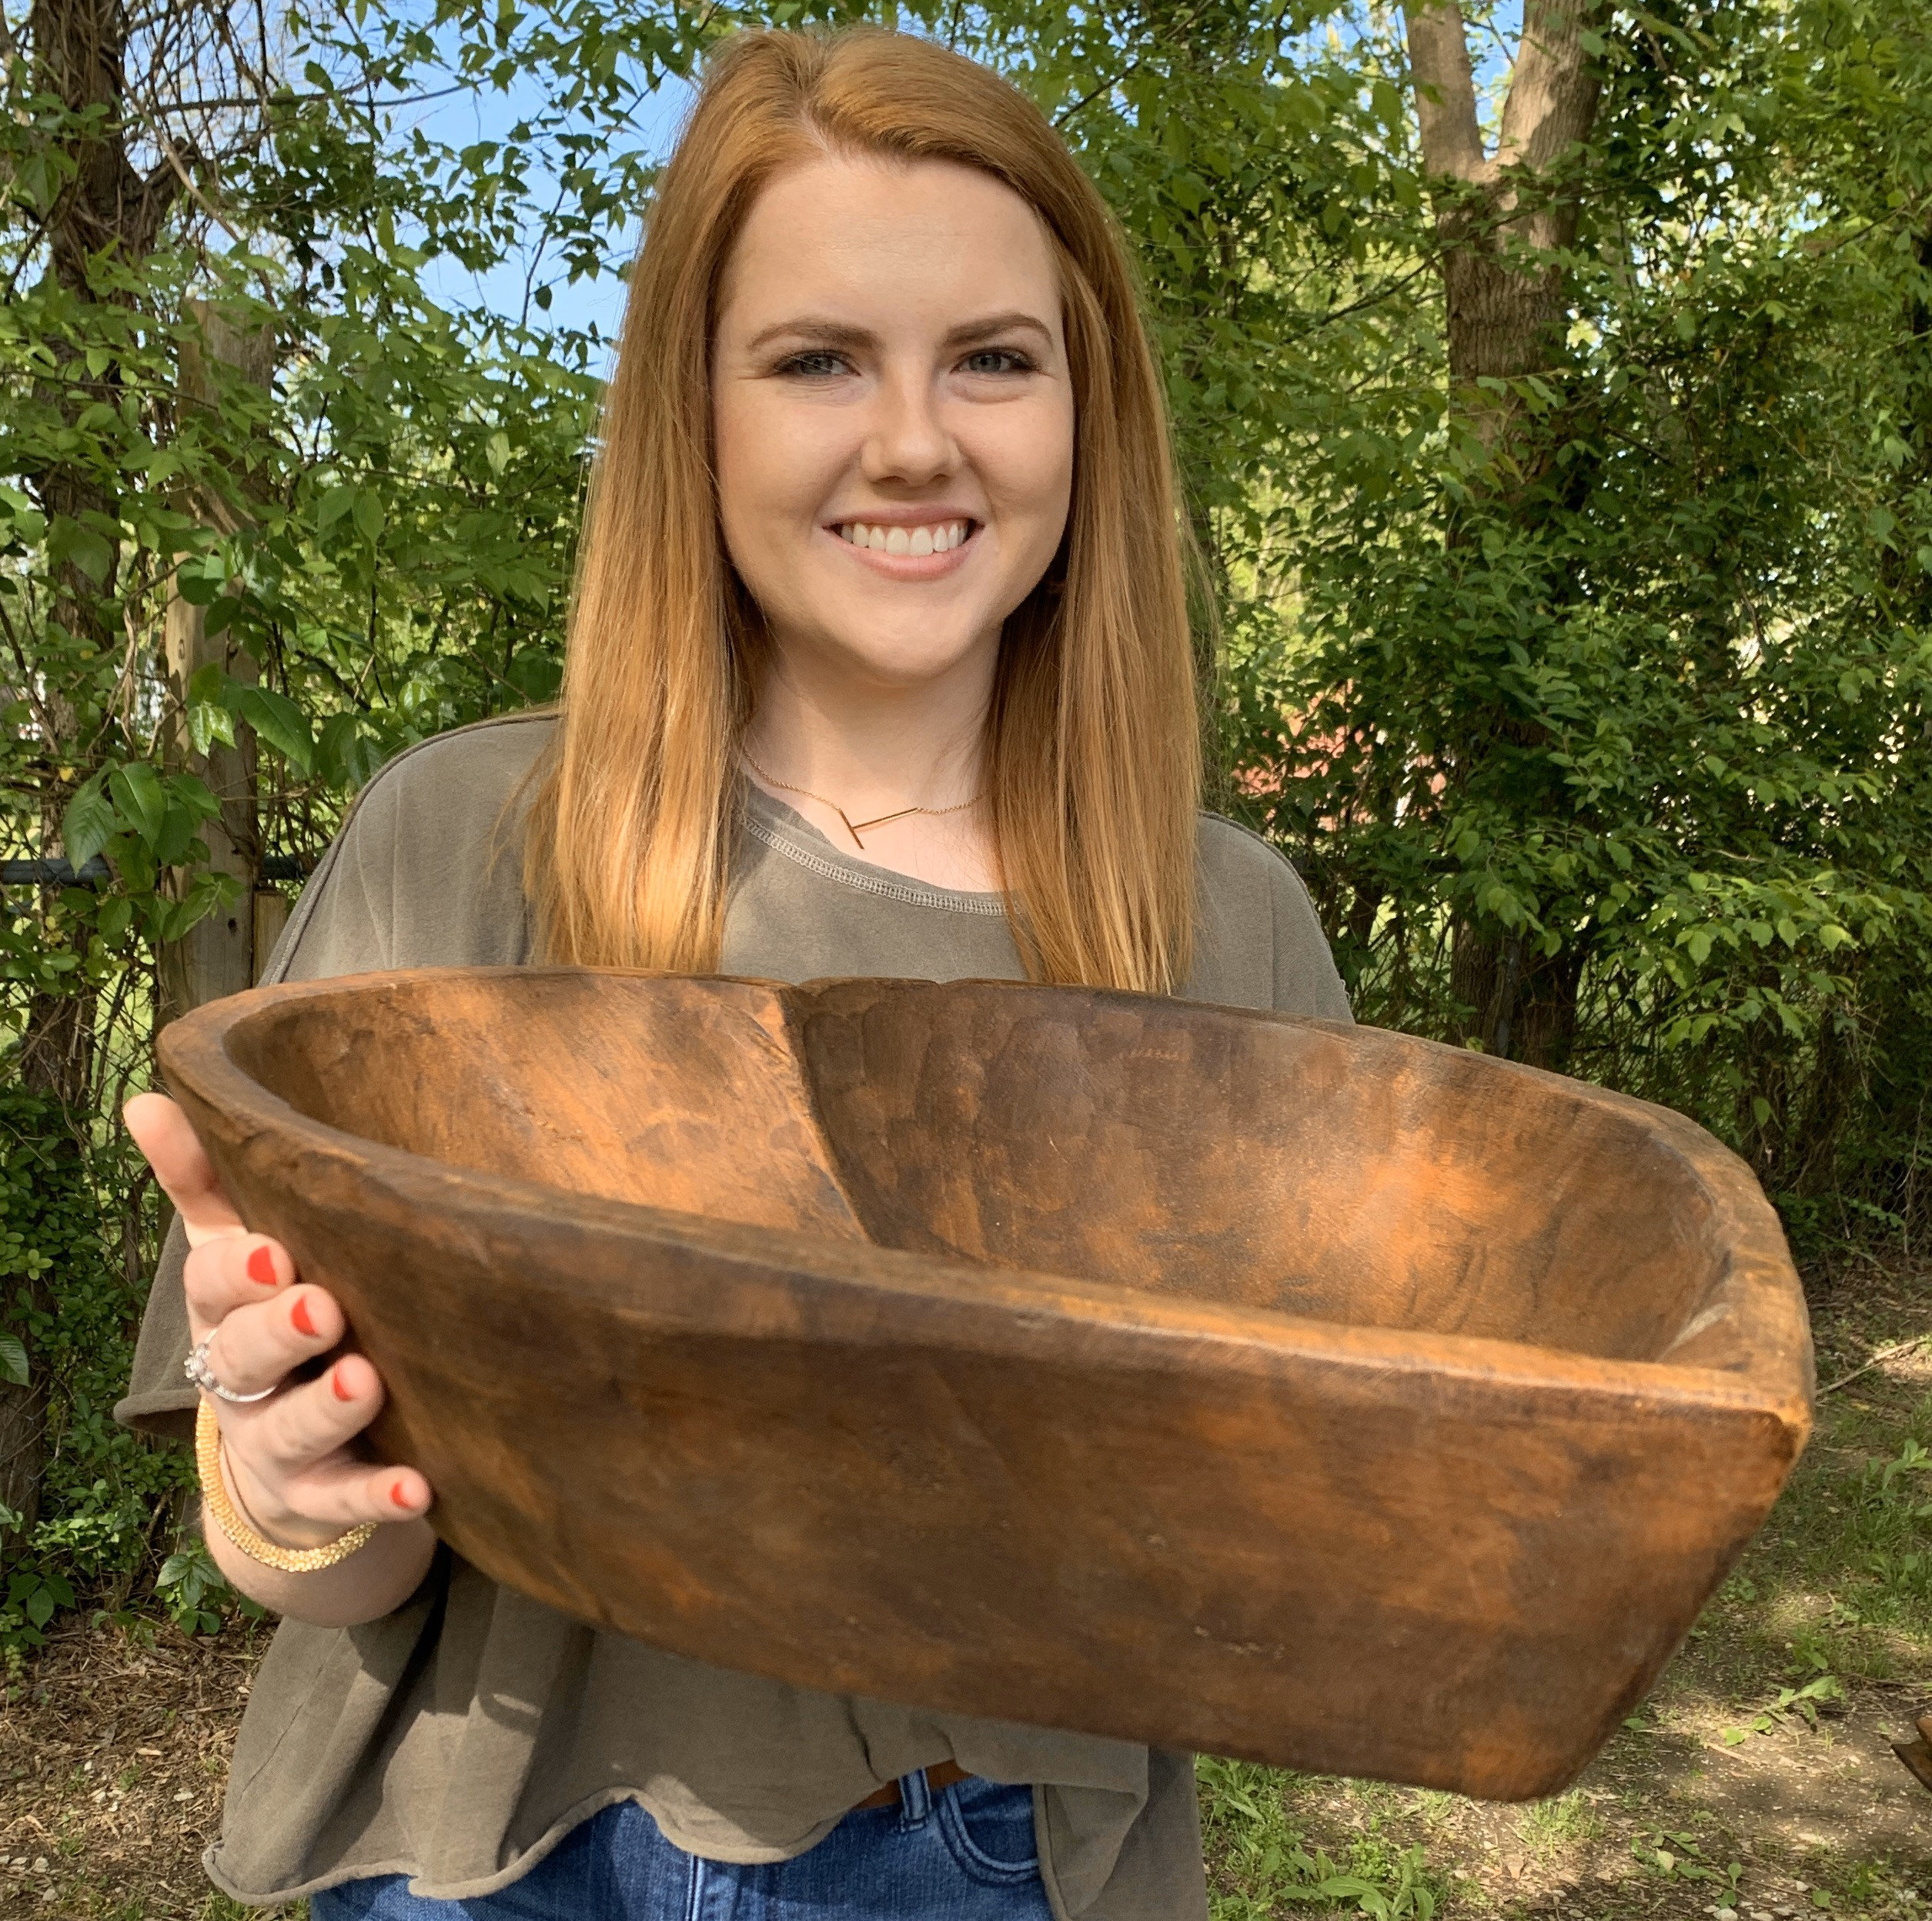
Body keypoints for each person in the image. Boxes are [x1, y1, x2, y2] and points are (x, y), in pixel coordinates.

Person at [117, 26, 1352, 1921]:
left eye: (994, 360)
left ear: (1087, 412)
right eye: (817, 360)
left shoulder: (1225, 927)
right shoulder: (461, 843)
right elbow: (321, 1561)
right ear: (691, 409)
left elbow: (1291, 1576)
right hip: (476, 1848)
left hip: (996, 1854)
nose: (916, 439)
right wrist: (282, 1488)